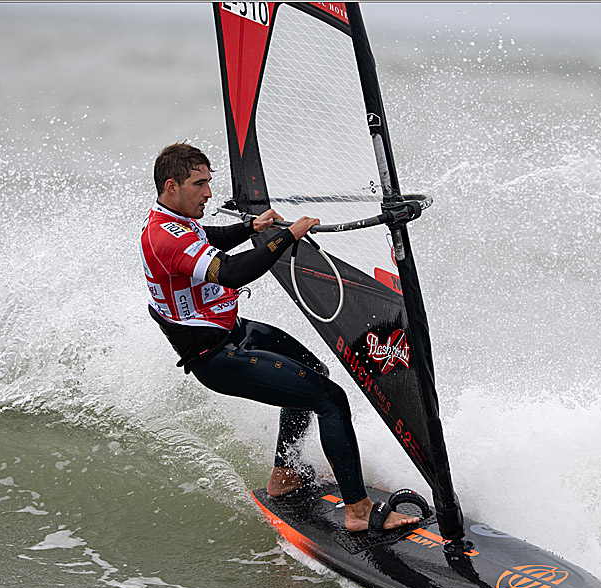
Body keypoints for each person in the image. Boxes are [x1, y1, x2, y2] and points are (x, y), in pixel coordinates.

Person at [140, 142, 419, 533]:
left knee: (312, 370)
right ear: (171, 186)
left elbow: (207, 238)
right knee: (330, 399)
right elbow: (231, 272)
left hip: (233, 332)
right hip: (216, 357)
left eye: (208, 182)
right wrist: (286, 236)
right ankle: (358, 512)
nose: (208, 193)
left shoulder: (174, 219)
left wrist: (249, 228)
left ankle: (285, 475)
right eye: (199, 184)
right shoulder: (164, 237)